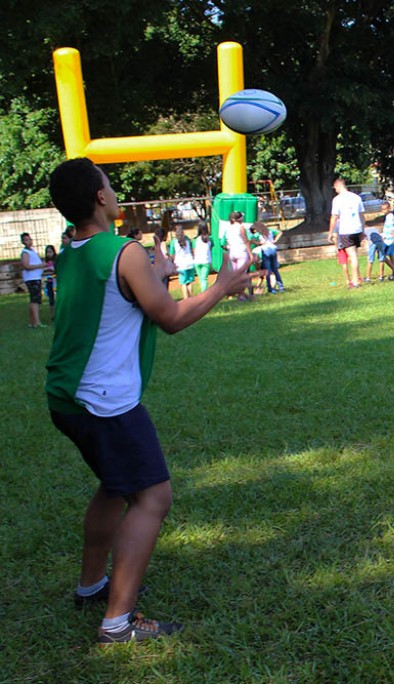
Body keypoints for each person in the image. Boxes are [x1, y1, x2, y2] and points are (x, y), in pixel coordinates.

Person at [45, 157, 251, 644]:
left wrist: (156, 276)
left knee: (115, 487)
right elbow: (171, 319)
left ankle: (91, 585)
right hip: (104, 402)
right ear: (99, 197)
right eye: (110, 185)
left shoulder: (73, 250)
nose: (115, 192)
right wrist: (221, 285)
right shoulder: (124, 252)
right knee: (153, 496)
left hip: (67, 396)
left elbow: (120, 302)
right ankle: (117, 622)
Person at [329, 176, 366, 289]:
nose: (335, 190)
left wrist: (330, 232)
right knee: (354, 255)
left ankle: (355, 282)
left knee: (353, 256)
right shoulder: (356, 197)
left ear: (337, 186)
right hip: (357, 229)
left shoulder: (337, 200)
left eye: (335, 188)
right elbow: (362, 215)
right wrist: (363, 230)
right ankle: (357, 278)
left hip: (346, 230)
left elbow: (334, 217)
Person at [223, 211, 254, 300]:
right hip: (241, 252)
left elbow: (228, 241)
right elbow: (246, 241)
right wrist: (250, 254)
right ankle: (241, 295)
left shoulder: (228, 229)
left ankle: (238, 294)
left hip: (232, 252)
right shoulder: (241, 227)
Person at [20, 232, 46, 328]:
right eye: (26, 240)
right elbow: (26, 265)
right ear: (23, 242)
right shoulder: (25, 252)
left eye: (30, 239)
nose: (29, 241)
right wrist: (40, 265)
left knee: (34, 299)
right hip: (32, 278)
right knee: (34, 300)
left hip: (36, 277)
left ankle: (32, 322)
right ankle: (37, 322)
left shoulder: (32, 251)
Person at [253, 222, 285, 293]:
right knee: (275, 270)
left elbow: (252, 239)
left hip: (266, 250)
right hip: (273, 249)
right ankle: (281, 287)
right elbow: (280, 232)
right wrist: (275, 240)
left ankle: (270, 288)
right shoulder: (270, 230)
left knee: (268, 271)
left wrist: (257, 243)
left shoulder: (259, 233)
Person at [167, 225, 196, 299]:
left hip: (181, 265)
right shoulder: (187, 239)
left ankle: (186, 299)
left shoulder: (174, 242)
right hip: (190, 262)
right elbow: (192, 250)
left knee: (183, 283)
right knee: (190, 282)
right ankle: (191, 298)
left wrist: (172, 262)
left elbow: (172, 255)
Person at [379, 202, 394, 280]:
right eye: (382, 209)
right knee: (390, 256)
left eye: (385, 209)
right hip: (386, 238)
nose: (384, 211)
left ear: (389, 208)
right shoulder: (388, 217)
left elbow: (392, 230)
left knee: (383, 256)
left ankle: (392, 272)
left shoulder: (390, 217)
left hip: (388, 240)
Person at [193, 222, 213, 293]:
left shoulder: (195, 240)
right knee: (204, 279)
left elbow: (194, 251)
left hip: (197, 261)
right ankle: (204, 293)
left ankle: (203, 293)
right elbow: (210, 249)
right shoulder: (210, 238)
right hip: (206, 261)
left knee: (201, 279)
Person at [43, 244, 58, 319]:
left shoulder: (56, 261)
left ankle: (58, 313)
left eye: (50, 252)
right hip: (49, 280)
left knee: (57, 297)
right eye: (47, 252)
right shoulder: (45, 262)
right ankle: (52, 315)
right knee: (51, 298)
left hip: (55, 280)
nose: (49, 254)